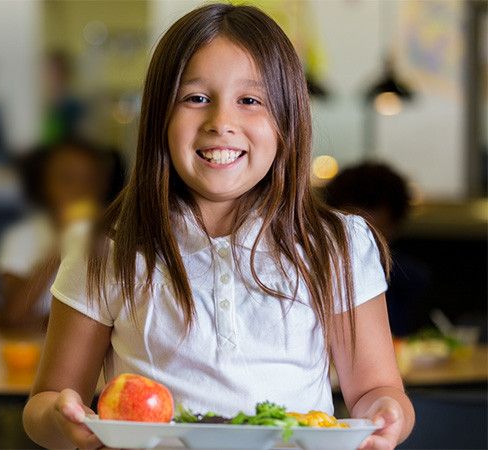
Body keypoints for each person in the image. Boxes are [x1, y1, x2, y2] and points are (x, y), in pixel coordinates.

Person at [22, 4, 415, 450]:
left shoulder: (337, 245)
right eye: (196, 98)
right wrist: (62, 418)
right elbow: (45, 403)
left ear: (287, 119)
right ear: (159, 118)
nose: (221, 123)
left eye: (249, 101)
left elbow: (376, 391)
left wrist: (388, 415)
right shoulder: (108, 247)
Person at [0, 139, 125, 330]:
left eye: (90, 181)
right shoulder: (22, 237)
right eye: (67, 179)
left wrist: (41, 322)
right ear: (45, 184)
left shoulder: (112, 240)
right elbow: (13, 316)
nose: (79, 191)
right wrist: (64, 244)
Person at [324, 162, 429, 336]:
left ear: (394, 226)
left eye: (372, 233)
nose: (361, 243)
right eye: (352, 231)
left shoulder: (409, 280)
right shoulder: (315, 275)